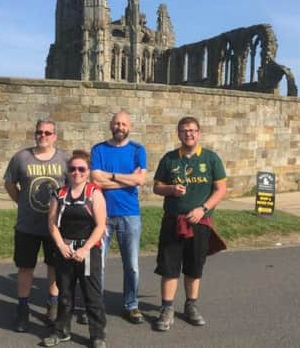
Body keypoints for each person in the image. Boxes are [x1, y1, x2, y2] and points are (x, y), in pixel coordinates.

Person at [152, 116, 227, 331]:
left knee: (194, 266)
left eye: (193, 130)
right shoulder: (169, 159)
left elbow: (220, 189)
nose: (189, 134)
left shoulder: (211, 159)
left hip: (200, 221)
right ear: (178, 134)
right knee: (169, 266)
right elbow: (157, 187)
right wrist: (171, 190)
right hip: (173, 221)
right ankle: (167, 308)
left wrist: (202, 209)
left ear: (199, 133)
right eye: (185, 131)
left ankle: (191, 305)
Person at [3, 119, 69, 332]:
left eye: (48, 133)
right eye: (40, 132)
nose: (43, 136)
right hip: (27, 225)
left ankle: (52, 303)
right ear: (35, 134)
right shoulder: (21, 158)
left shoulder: (64, 160)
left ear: (55, 136)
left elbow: (72, 187)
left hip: (55, 226)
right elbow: (10, 183)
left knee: (54, 266)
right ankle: (23, 309)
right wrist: (22, 201)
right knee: (25, 267)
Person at [44, 150, 107, 348]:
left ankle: (97, 335)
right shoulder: (59, 194)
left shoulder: (94, 193)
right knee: (64, 293)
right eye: (72, 169)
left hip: (88, 252)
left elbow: (100, 226)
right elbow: (52, 224)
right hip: (65, 251)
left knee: (92, 294)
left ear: (88, 171)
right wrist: (61, 245)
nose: (76, 173)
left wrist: (85, 248)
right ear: (67, 171)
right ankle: (61, 331)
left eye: (81, 169)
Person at [90, 111, 147, 324]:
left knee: (131, 264)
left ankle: (131, 305)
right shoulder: (99, 149)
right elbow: (95, 179)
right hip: (101, 215)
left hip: (130, 214)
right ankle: (96, 305)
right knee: (98, 264)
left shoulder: (137, 150)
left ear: (129, 126)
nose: (120, 127)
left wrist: (111, 177)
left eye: (123, 124)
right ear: (110, 125)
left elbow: (140, 180)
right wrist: (127, 180)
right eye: (116, 123)